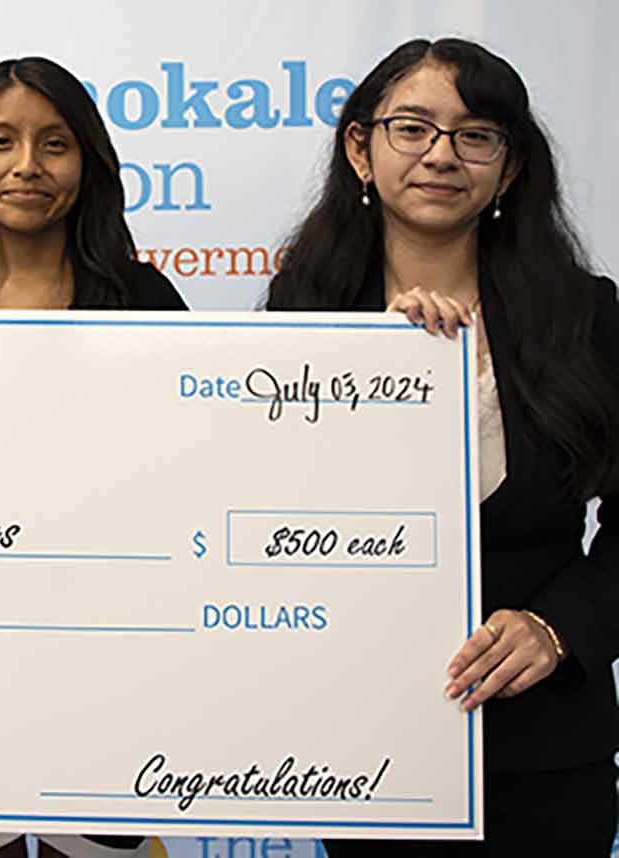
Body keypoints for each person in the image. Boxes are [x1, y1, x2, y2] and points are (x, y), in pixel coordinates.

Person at [267, 37, 619, 856]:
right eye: (412, 128)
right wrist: (378, 377)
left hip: (546, 751)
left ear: (511, 166)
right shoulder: (303, 315)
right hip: (365, 749)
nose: (441, 155)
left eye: (475, 135)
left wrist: (557, 626)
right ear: (361, 149)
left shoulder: (588, 316)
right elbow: (271, 519)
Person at [0, 57, 186, 858]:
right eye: (1, 141)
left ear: (87, 164)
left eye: (54, 144)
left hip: (110, 654)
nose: (26, 166)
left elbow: (191, 473)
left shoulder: (146, 301)